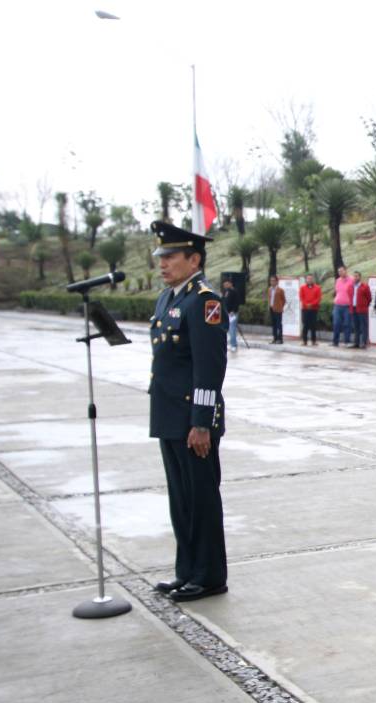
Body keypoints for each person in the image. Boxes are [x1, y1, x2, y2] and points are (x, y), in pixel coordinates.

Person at [147, 221, 229, 602]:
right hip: (168, 416)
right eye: (160, 257)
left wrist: (201, 422)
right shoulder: (169, 298)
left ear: (194, 259)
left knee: (201, 499)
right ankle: (188, 571)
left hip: (192, 420)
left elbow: (208, 368)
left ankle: (209, 575)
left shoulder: (204, 300)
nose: (163, 263)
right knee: (181, 500)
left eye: (170, 256)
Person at [331, 265, 354, 347]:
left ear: (345, 270)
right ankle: (335, 342)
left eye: (341, 271)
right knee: (336, 323)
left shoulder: (351, 280)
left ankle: (347, 342)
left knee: (347, 324)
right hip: (337, 305)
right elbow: (337, 292)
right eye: (339, 271)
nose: (340, 273)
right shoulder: (337, 280)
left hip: (347, 306)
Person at [299, 273, 321, 345]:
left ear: (313, 279)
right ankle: (304, 341)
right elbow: (301, 297)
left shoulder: (318, 288)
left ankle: (313, 341)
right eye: (308, 278)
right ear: (306, 279)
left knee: (313, 325)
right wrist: (306, 304)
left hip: (314, 309)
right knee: (305, 324)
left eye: (311, 278)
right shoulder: (302, 288)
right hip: (305, 309)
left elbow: (318, 298)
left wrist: (312, 304)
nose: (309, 280)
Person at [351, 270, 371, 348]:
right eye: (354, 276)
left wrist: (365, 305)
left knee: (363, 326)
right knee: (356, 327)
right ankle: (356, 342)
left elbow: (369, 298)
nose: (355, 278)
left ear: (360, 277)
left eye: (356, 276)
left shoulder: (365, 286)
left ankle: (364, 342)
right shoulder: (352, 286)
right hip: (354, 308)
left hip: (362, 309)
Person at [221, 278, 240, 353]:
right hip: (226, 313)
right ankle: (231, 344)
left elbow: (237, 302)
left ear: (230, 284)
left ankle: (234, 345)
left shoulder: (234, 291)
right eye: (224, 284)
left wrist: (233, 310)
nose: (225, 286)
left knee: (232, 329)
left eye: (226, 284)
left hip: (232, 313)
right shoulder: (226, 292)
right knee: (228, 330)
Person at [267, 275, 286, 344]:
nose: (272, 282)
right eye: (271, 281)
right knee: (273, 324)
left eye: (273, 281)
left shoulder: (280, 290)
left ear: (277, 281)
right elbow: (269, 298)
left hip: (278, 309)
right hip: (271, 308)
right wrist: (270, 305)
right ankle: (274, 338)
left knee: (279, 324)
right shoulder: (269, 289)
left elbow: (284, 300)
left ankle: (280, 339)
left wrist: (280, 306)